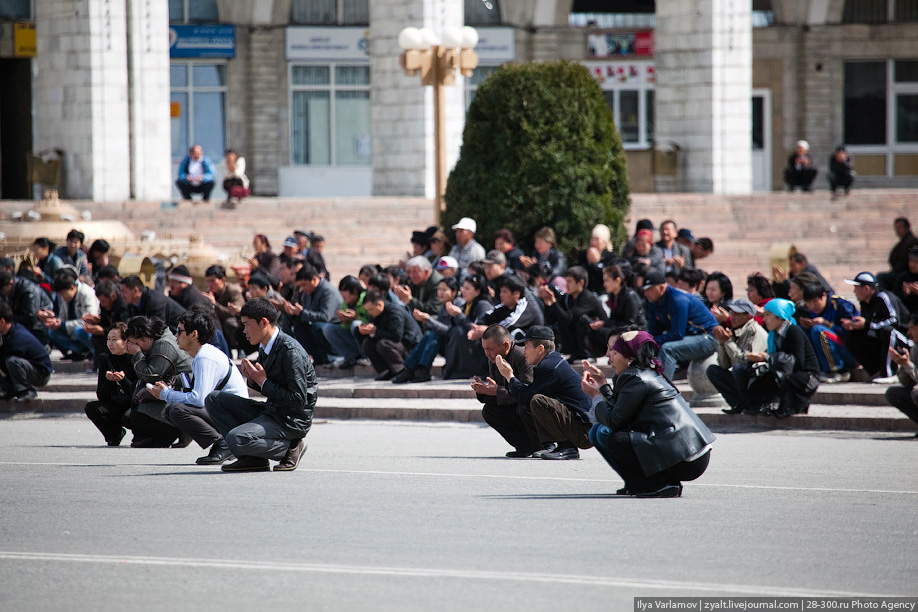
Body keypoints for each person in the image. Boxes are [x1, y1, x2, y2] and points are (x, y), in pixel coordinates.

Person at [582, 331, 715, 497]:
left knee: (614, 438)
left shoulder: (636, 378)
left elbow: (614, 421)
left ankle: (660, 485)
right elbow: (619, 411)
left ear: (629, 358)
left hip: (686, 457)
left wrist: (595, 397)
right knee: (600, 432)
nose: (609, 357)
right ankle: (639, 484)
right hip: (687, 452)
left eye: (615, 352)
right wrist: (602, 385)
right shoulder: (642, 373)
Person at [206, 298, 316, 472]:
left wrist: (262, 382)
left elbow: (298, 399)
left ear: (263, 322)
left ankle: (291, 447)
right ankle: (252, 458)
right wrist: (253, 379)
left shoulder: (290, 351)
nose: (244, 331)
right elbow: (269, 384)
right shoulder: (266, 346)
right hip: (272, 411)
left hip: (291, 420)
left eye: (247, 325)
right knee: (214, 399)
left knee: (236, 438)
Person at [149, 308, 248, 465]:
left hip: (235, 419)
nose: (176, 336)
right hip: (229, 414)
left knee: (176, 410)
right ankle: (224, 443)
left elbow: (198, 399)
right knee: (173, 409)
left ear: (193, 334)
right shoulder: (202, 355)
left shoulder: (205, 357)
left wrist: (165, 394)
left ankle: (223, 444)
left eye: (179, 331)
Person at [495, 325, 594, 460]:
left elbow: (527, 398)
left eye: (527, 346)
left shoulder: (549, 367)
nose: (524, 351)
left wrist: (509, 376)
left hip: (584, 432)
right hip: (584, 428)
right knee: (535, 401)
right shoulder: (552, 362)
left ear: (540, 349)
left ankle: (567, 448)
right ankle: (550, 446)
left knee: (537, 401)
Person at [709, 299, 820, 418]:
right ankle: (747, 405)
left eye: (767, 315)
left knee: (762, 376)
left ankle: (757, 405)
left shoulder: (793, 331)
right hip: (788, 372)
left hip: (806, 377)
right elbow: (725, 365)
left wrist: (766, 357)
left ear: (779, 316)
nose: (764, 319)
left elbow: (798, 362)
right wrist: (723, 343)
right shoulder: (774, 335)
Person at [124, 316, 193, 448]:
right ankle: (156, 435)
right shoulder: (155, 342)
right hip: (167, 387)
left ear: (147, 338)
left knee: (136, 416)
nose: (132, 347)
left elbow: (151, 375)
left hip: (179, 390)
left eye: (135, 343)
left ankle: (178, 429)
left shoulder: (163, 345)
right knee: (128, 416)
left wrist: (137, 354)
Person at [473, 324, 538, 457]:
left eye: (490, 349)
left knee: (524, 407)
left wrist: (496, 391)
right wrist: (484, 390)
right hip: (514, 400)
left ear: (506, 346)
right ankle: (525, 446)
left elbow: (527, 391)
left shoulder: (522, 356)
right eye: (484, 349)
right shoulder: (494, 358)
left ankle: (542, 445)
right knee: (489, 411)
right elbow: (499, 390)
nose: (487, 354)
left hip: (534, 403)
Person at [643, 270, 719, 380]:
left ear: (661, 287)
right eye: (644, 290)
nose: (646, 293)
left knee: (667, 349)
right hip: (691, 338)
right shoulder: (654, 302)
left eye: (649, 289)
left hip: (709, 338)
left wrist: (652, 341)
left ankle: (663, 390)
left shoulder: (677, 299)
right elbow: (654, 332)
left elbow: (677, 334)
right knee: (646, 347)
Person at [842, 272, 911, 384]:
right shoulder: (865, 302)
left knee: (887, 331)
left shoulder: (884, 297)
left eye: (856, 288)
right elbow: (868, 324)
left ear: (866, 288)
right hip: (882, 339)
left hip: (904, 339)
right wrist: (854, 325)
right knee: (852, 337)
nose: (854, 292)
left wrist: (867, 324)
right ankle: (877, 370)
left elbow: (894, 321)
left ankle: (890, 373)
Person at [393, 276, 462, 384]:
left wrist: (428, 319)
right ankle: (413, 368)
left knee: (434, 335)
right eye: (439, 289)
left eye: (444, 290)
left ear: (454, 292)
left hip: (455, 344)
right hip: (445, 342)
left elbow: (450, 331)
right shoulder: (444, 305)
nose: (440, 293)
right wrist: (425, 320)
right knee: (430, 334)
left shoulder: (459, 304)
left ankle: (419, 369)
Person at [84, 323, 137, 446]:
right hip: (115, 404)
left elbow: (135, 393)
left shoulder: (134, 359)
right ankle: (114, 434)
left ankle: (141, 435)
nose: (110, 343)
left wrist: (122, 380)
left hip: (132, 406)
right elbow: (101, 396)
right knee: (92, 407)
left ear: (126, 341)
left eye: (114, 339)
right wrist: (110, 380)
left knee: (129, 416)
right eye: (108, 339)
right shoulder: (105, 359)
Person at [539, 265, 606, 361]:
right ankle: (575, 353)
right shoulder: (568, 298)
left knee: (581, 319)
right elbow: (551, 320)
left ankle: (588, 354)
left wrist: (554, 302)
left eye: (569, 281)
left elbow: (569, 318)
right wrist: (547, 302)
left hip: (598, 342)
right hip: (578, 343)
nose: (566, 285)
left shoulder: (587, 297)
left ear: (580, 282)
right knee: (562, 317)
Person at [799, 283, 860, 383]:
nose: (812, 306)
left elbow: (849, 332)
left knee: (819, 330)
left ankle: (837, 371)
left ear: (823, 296)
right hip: (834, 346)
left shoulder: (841, 304)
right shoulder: (813, 310)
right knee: (802, 331)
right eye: (808, 303)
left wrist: (827, 324)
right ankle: (814, 368)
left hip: (851, 352)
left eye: (815, 301)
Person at [359, 289, 422, 381]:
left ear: (380, 304)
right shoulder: (376, 314)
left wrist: (375, 331)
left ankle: (402, 370)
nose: (369, 313)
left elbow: (396, 336)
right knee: (367, 343)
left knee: (383, 344)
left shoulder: (394, 311)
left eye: (371, 309)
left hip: (410, 347)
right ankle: (388, 371)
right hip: (397, 346)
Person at [706, 299, 769, 388]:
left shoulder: (754, 332)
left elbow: (744, 363)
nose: (732, 317)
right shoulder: (735, 331)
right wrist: (722, 343)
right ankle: (739, 402)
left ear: (748, 316)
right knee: (713, 371)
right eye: (731, 313)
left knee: (738, 370)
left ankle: (746, 401)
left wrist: (728, 342)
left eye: (736, 314)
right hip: (741, 376)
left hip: (756, 378)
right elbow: (724, 365)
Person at [290, 264, 342, 366]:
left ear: (314, 280)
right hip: (317, 325)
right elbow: (308, 314)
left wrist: (302, 312)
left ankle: (332, 357)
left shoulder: (328, 291)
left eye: (304, 285)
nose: (303, 288)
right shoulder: (307, 293)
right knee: (299, 328)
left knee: (317, 327)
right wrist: (294, 313)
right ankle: (319, 358)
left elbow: (325, 317)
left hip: (334, 327)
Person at [0, 301, 52, 402]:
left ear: (2, 321)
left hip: (41, 374)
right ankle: (10, 390)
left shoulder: (17, 337)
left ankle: (26, 390)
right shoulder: (10, 331)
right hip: (29, 367)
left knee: (12, 361)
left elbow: (5, 362)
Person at [42, 269, 99, 361]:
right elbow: (63, 317)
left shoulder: (86, 294)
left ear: (72, 287)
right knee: (51, 331)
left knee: (79, 331)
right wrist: (56, 322)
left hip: (87, 331)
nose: (62, 296)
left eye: (63, 293)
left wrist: (63, 325)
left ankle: (91, 351)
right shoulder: (65, 297)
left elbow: (88, 321)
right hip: (72, 329)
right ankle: (79, 351)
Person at [468, 275, 543, 341]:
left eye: (504, 292)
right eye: (501, 292)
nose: (501, 295)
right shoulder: (504, 306)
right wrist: (477, 328)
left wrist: (486, 330)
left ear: (516, 294)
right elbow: (486, 317)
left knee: (513, 333)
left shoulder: (526, 309)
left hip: (530, 349)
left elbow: (508, 325)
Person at [589, 264, 646, 350]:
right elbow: (615, 319)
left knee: (605, 332)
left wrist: (607, 324)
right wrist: (603, 323)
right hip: (622, 327)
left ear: (617, 280)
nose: (604, 284)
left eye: (607, 281)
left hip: (635, 330)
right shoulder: (613, 296)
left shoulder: (629, 296)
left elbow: (630, 323)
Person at [323, 275, 370, 370]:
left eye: (345, 290)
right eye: (340, 290)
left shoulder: (366, 299)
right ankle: (351, 356)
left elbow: (371, 322)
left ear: (355, 290)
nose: (341, 293)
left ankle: (366, 357)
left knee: (356, 324)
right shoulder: (345, 304)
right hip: (353, 339)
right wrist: (345, 321)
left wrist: (355, 318)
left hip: (368, 340)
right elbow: (347, 329)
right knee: (328, 329)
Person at [884, 312, 918, 434]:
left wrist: (908, 365)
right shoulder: (915, 347)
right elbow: (907, 382)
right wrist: (902, 364)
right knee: (893, 393)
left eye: (912, 328)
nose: (908, 333)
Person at [0, 270, 52, 345]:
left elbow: (30, 318)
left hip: (39, 325)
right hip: (21, 320)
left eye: (2, 290)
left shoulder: (28, 290)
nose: (2, 293)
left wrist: (8, 317)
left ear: (10, 284)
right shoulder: (9, 292)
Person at [203, 265, 245, 357]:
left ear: (222, 279)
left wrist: (214, 304)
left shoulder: (233, 291)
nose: (210, 284)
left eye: (213, 281)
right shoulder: (209, 293)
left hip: (236, 328)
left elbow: (235, 313)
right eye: (208, 281)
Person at [121, 275, 186, 333]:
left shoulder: (155, 302)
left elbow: (159, 329)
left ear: (135, 290)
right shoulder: (131, 303)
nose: (122, 295)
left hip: (180, 331)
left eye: (124, 292)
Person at [580, 224, 619, 295]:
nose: (593, 243)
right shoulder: (584, 255)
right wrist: (588, 263)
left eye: (597, 240)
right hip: (586, 292)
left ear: (604, 242)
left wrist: (597, 263)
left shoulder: (611, 257)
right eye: (592, 239)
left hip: (603, 293)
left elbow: (609, 276)